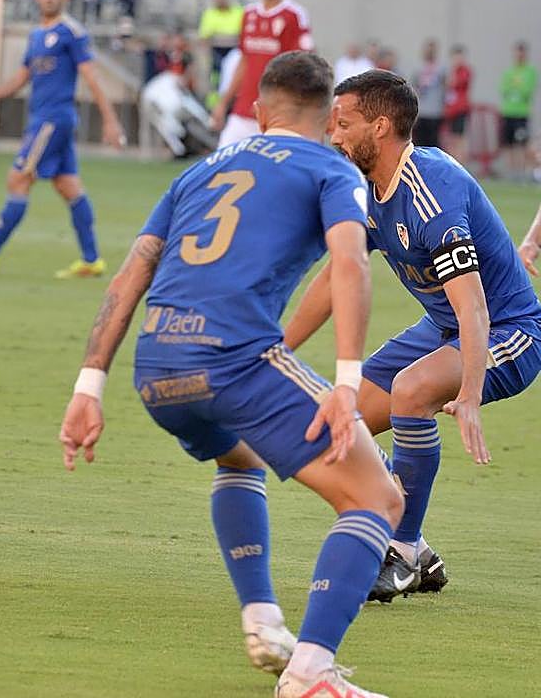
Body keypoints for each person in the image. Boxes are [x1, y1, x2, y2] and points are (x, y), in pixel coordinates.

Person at [60, 51, 401, 698]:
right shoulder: (331, 167)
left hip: (157, 368)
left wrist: (88, 386)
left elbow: (133, 272)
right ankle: (309, 673)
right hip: (233, 358)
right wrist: (348, 383)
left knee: (239, 457)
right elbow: (351, 265)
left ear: (255, 111)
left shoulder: (198, 171)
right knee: (376, 497)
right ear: (331, 116)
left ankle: (263, 622)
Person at [285, 69, 541, 601]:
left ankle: (398, 553)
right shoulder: (363, 188)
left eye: (345, 123)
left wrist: (469, 392)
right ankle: (418, 551)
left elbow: (474, 307)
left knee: (410, 391)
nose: (334, 135)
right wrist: (280, 347)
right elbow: (337, 275)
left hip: (511, 331)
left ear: (379, 127)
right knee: (337, 424)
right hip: (443, 327)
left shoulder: (432, 192)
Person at [0, 0, 124, 278]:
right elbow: (20, 79)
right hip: (45, 120)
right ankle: (91, 260)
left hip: (53, 121)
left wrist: (110, 121)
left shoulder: (71, 32)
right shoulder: (36, 36)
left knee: (18, 179)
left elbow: (91, 78)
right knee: (68, 186)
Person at [210, 0, 312, 148]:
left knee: (273, 175)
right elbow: (244, 62)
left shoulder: (293, 15)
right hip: (243, 109)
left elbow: (304, 65)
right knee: (221, 164)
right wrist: (223, 103)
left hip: (277, 113)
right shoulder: (248, 14)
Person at [499, 41, 537, 175]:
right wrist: (515, 87)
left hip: (521, 113)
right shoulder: (509, 71)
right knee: (509, 144)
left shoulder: (530, 71)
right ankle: (511, 172)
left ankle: (522, 172)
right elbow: (504, 89)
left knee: (522, 143)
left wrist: (516, 87)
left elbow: (526, 90)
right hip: (508, 111)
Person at [197, 0, 244, 87]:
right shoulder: (210, 13)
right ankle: (215, 95)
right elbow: (204, 35)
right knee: (217, 73)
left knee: (233, 72)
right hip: (216, 49)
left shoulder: (238, 11)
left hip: (235, 49)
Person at [411, 39, 446, 148]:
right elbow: (413, 86)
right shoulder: (417, 67)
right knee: (419, 142)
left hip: (435, 110)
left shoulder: (441, 68)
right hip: (421, 111)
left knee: (433, 141)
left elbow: (446, 86)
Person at [444, 45, 472, 161]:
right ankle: (453, 160)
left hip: (461, 109)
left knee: (460, 138)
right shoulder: (451, 70)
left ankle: (461, 162)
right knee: (451, 138)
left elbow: (454, 83)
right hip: (451, 110)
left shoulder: (465, 71)